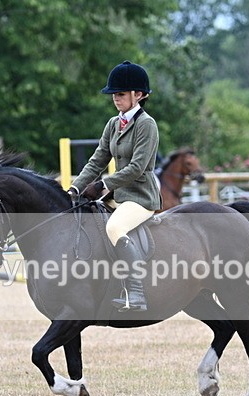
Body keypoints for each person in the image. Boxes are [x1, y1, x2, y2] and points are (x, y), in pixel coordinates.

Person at [68, 60, 161, 312]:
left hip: (141, 197)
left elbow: (137, 168)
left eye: (120, 94)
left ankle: (137, 292)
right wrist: (75, 188)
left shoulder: (146, 125)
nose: (115, 99)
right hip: (118, 195)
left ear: (138, 95)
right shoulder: (113, 123)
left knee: (115, 226)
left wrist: (103, 184)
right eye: (113, 95)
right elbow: (97, 159)